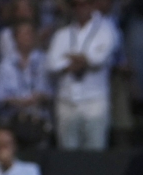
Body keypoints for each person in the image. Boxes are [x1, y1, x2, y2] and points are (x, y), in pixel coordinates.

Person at [45, 0, 117, 150]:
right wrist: (82, 60)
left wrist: (70, 59)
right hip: (66, 100)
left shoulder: (106, 30)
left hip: (94, 100)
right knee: (67, 151)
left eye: (84, 4)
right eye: (76, 5)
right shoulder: (62, 34)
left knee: (95, 150)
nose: (80, 9)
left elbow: (99, 58)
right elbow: (52, 63)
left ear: (92, 6)